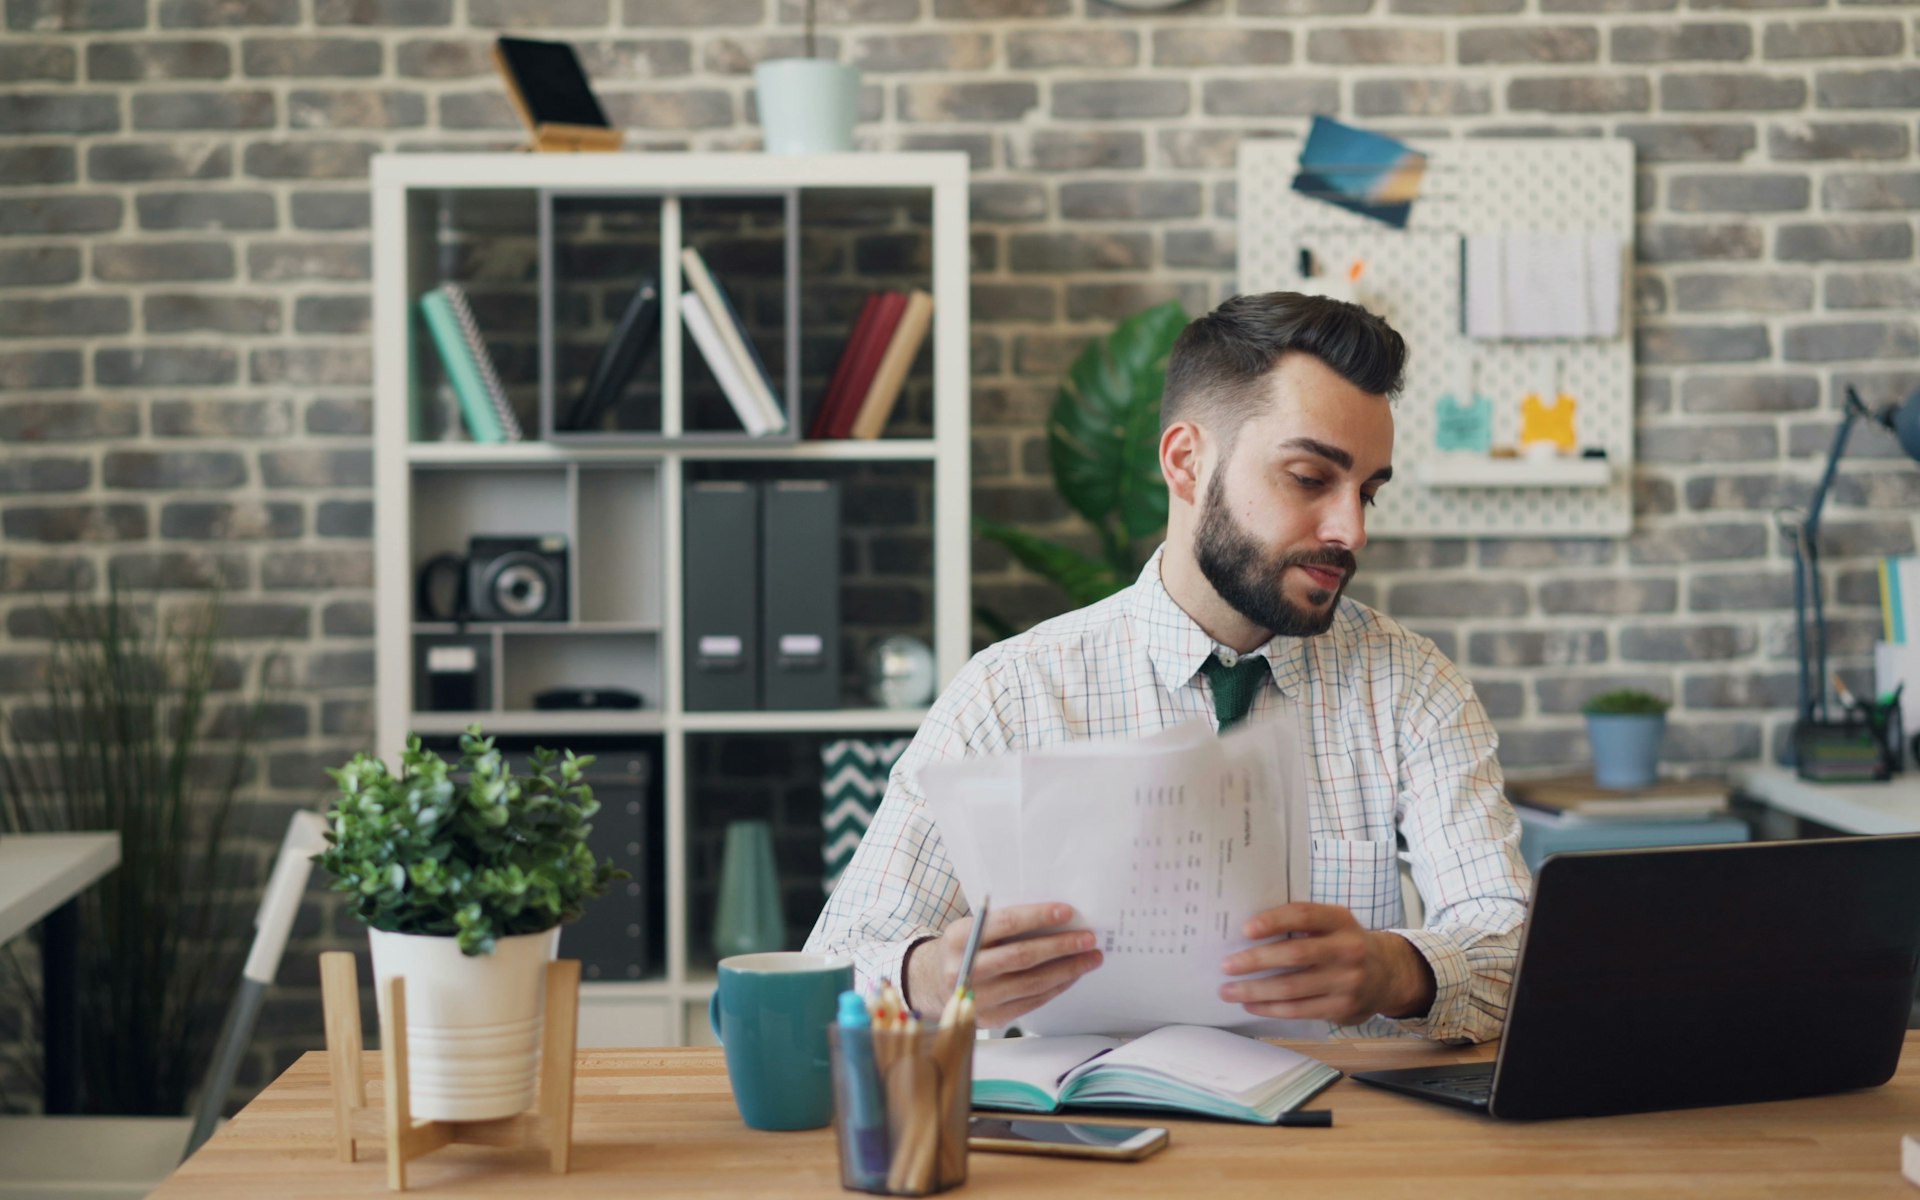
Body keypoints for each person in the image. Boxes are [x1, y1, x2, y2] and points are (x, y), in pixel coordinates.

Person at [805, 292, 1530, 1043]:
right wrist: (930, 977)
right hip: (1087, 1145)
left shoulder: (1412, 689)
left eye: (1369, 493)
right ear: (1187, 463)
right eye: (1312, 479)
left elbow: (1514, 951)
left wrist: (1397, 972)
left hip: (1345, 1148)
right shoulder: (1011, 692)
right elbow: (831, 966)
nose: (1352, 529)